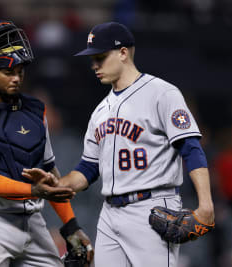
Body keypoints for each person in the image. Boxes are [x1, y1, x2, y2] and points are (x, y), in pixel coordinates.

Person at [23, 22, 215, 267]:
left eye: (101, 57)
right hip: (110, 213)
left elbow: (191, 148)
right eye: (92, 59)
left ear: (123, 53)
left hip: (152, 208)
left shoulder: (162, 93)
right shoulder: (100, 112)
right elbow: (88, 170)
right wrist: (58, 184)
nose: (94, 65)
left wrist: (206, 204)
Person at [0, 18, 93, 267]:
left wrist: (71, 227)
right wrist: (34, 191)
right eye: (8, 72)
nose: (16, 78)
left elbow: (48, 175)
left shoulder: (35, 112)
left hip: (30, 219)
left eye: (20, 72)